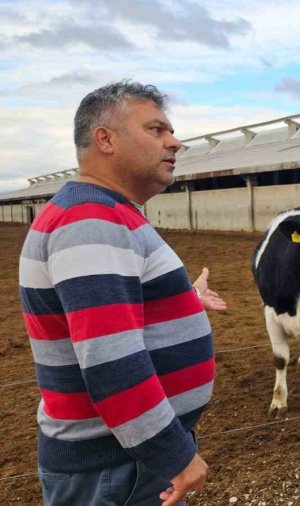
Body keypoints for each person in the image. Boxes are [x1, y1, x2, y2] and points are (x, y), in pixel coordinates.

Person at [18, 80, 227, 506]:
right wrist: (174, 454)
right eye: (156, 130)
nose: (175, 142)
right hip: (116, 469)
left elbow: (112, 310)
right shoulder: (90, 218)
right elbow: (111, 359)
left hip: (122, 463)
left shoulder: (103, 213)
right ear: (106, 139)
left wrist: (184, 298)